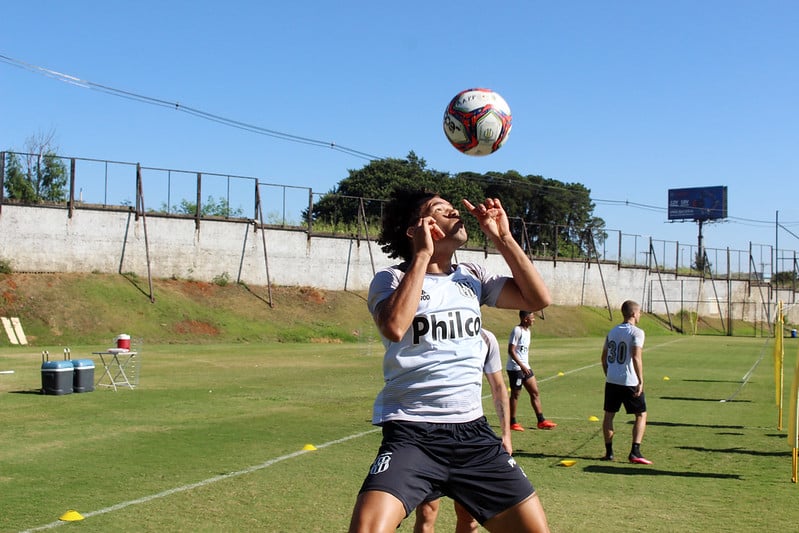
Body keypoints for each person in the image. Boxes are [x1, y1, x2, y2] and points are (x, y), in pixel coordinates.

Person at [348, 188, 552, 533]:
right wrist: (422, 255)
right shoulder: (391, 279)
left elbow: (537, 298)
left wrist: (502, 237)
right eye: (442, 211)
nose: (456, 213)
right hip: (412, 435)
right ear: (416, 229)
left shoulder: (471, 275)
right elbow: (395, 326)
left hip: (473, 437)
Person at [413, 329, 512, 533]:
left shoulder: (486, 339)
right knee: (426, 514)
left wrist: (506, 435)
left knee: (469, 516)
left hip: (468, 439)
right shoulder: (434, 330)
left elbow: (499, 387)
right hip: (428, 438)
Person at [600, 300, 652, 465]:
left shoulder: (612, 331)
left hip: (612, 379)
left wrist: (608, 374)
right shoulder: (637, 332)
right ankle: (635, 451)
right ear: (633, 314)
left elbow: (603, 358)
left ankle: (609, 453)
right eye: (639, 312)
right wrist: (640, 380)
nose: (640, 315)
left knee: (609, 415)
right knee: (641, 414)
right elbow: (636, 356)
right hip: (629, 380)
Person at [506, 310, 557, 431]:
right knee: (515, 394)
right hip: (515, 368)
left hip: (525, 367)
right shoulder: (517, 330)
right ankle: (512, 422)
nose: (534, 320)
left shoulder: (528, 331)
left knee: (535, 392)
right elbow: (511, 350)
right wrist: (522, 366)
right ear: (525, 319)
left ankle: (541, 421)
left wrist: (525, 366)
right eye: (532, 318)